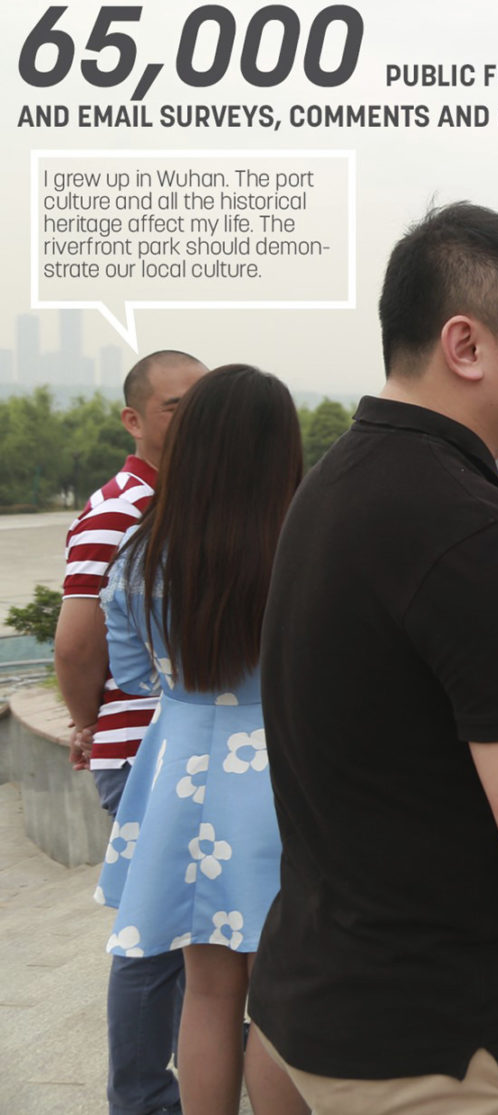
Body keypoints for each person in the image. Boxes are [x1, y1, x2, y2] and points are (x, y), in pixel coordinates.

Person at [249, 202, 498, 1114]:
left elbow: (386, 723)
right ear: (466, 344)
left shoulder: (335, 481)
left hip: (303, 1008)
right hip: (429, 1045)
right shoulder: (481, 529)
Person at [96, 365, 308, 1115]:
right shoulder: (302, 554)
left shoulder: (136, 561)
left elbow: (130, 673)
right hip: (282, 778)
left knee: (209, 993)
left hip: (178, 773)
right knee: (281, 997)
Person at [56, 349, 204, 1115]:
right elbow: (77, 642)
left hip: (195, 750)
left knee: (189, 934)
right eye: (178, 404)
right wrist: (87, 720)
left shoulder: (192, 501)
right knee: (154, 936)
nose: (194, 416)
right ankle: (144, 1100)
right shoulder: (121, 507)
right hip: (146, 754)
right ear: (135, 417)